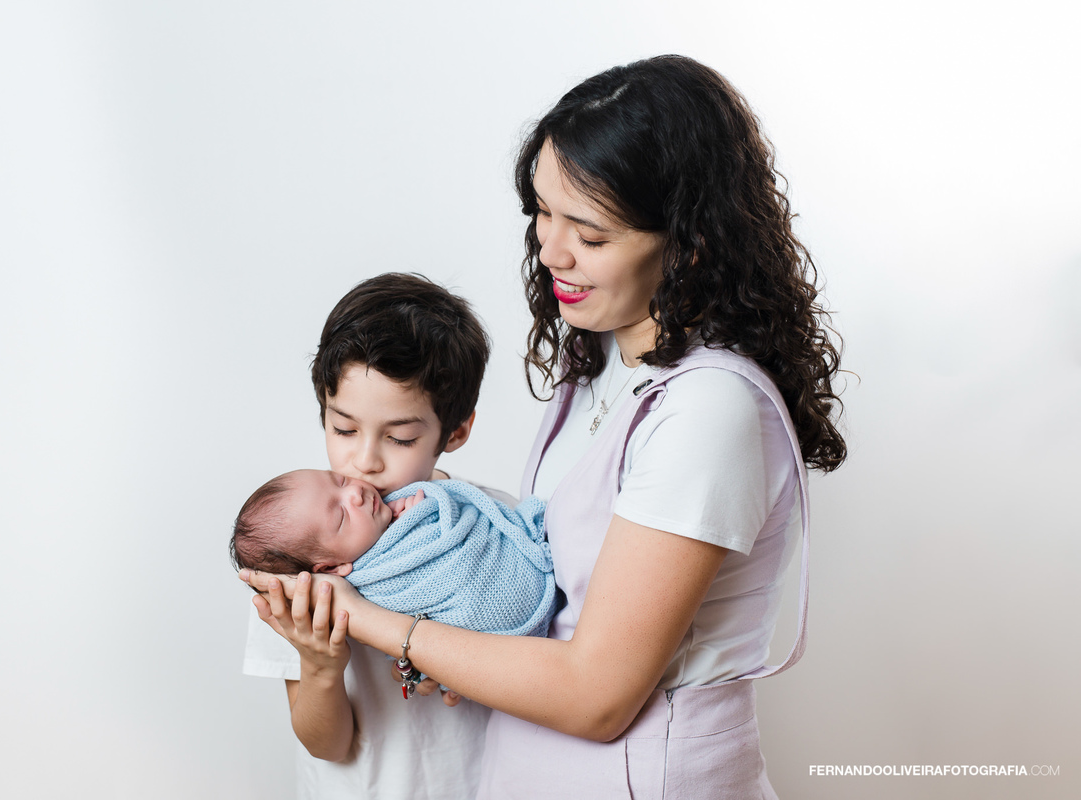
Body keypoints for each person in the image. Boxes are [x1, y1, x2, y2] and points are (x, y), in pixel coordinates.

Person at [245, 54, 847, 798]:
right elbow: (554, 599)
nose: (550, 250)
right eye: (542, 210)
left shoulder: (707, 409)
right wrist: (458, 654)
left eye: (590, 235)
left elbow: (598, 696)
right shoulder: (599, 365)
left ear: (689, 242)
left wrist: (379, 626)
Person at [240, 273, 505, 799]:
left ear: (455, 431)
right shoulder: (298, 557)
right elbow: (328, 745)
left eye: (400, 437)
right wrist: (319, 667)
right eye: (343, 429)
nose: (364, 462)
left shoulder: (491, 522)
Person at [232, 471, 555, 637]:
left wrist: (415, 514)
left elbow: (461, 523)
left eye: (339, 481)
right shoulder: (371, 590)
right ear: (331, 568)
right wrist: (422, 521)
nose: (354, 493)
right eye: (342, 515)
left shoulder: (388, 509)